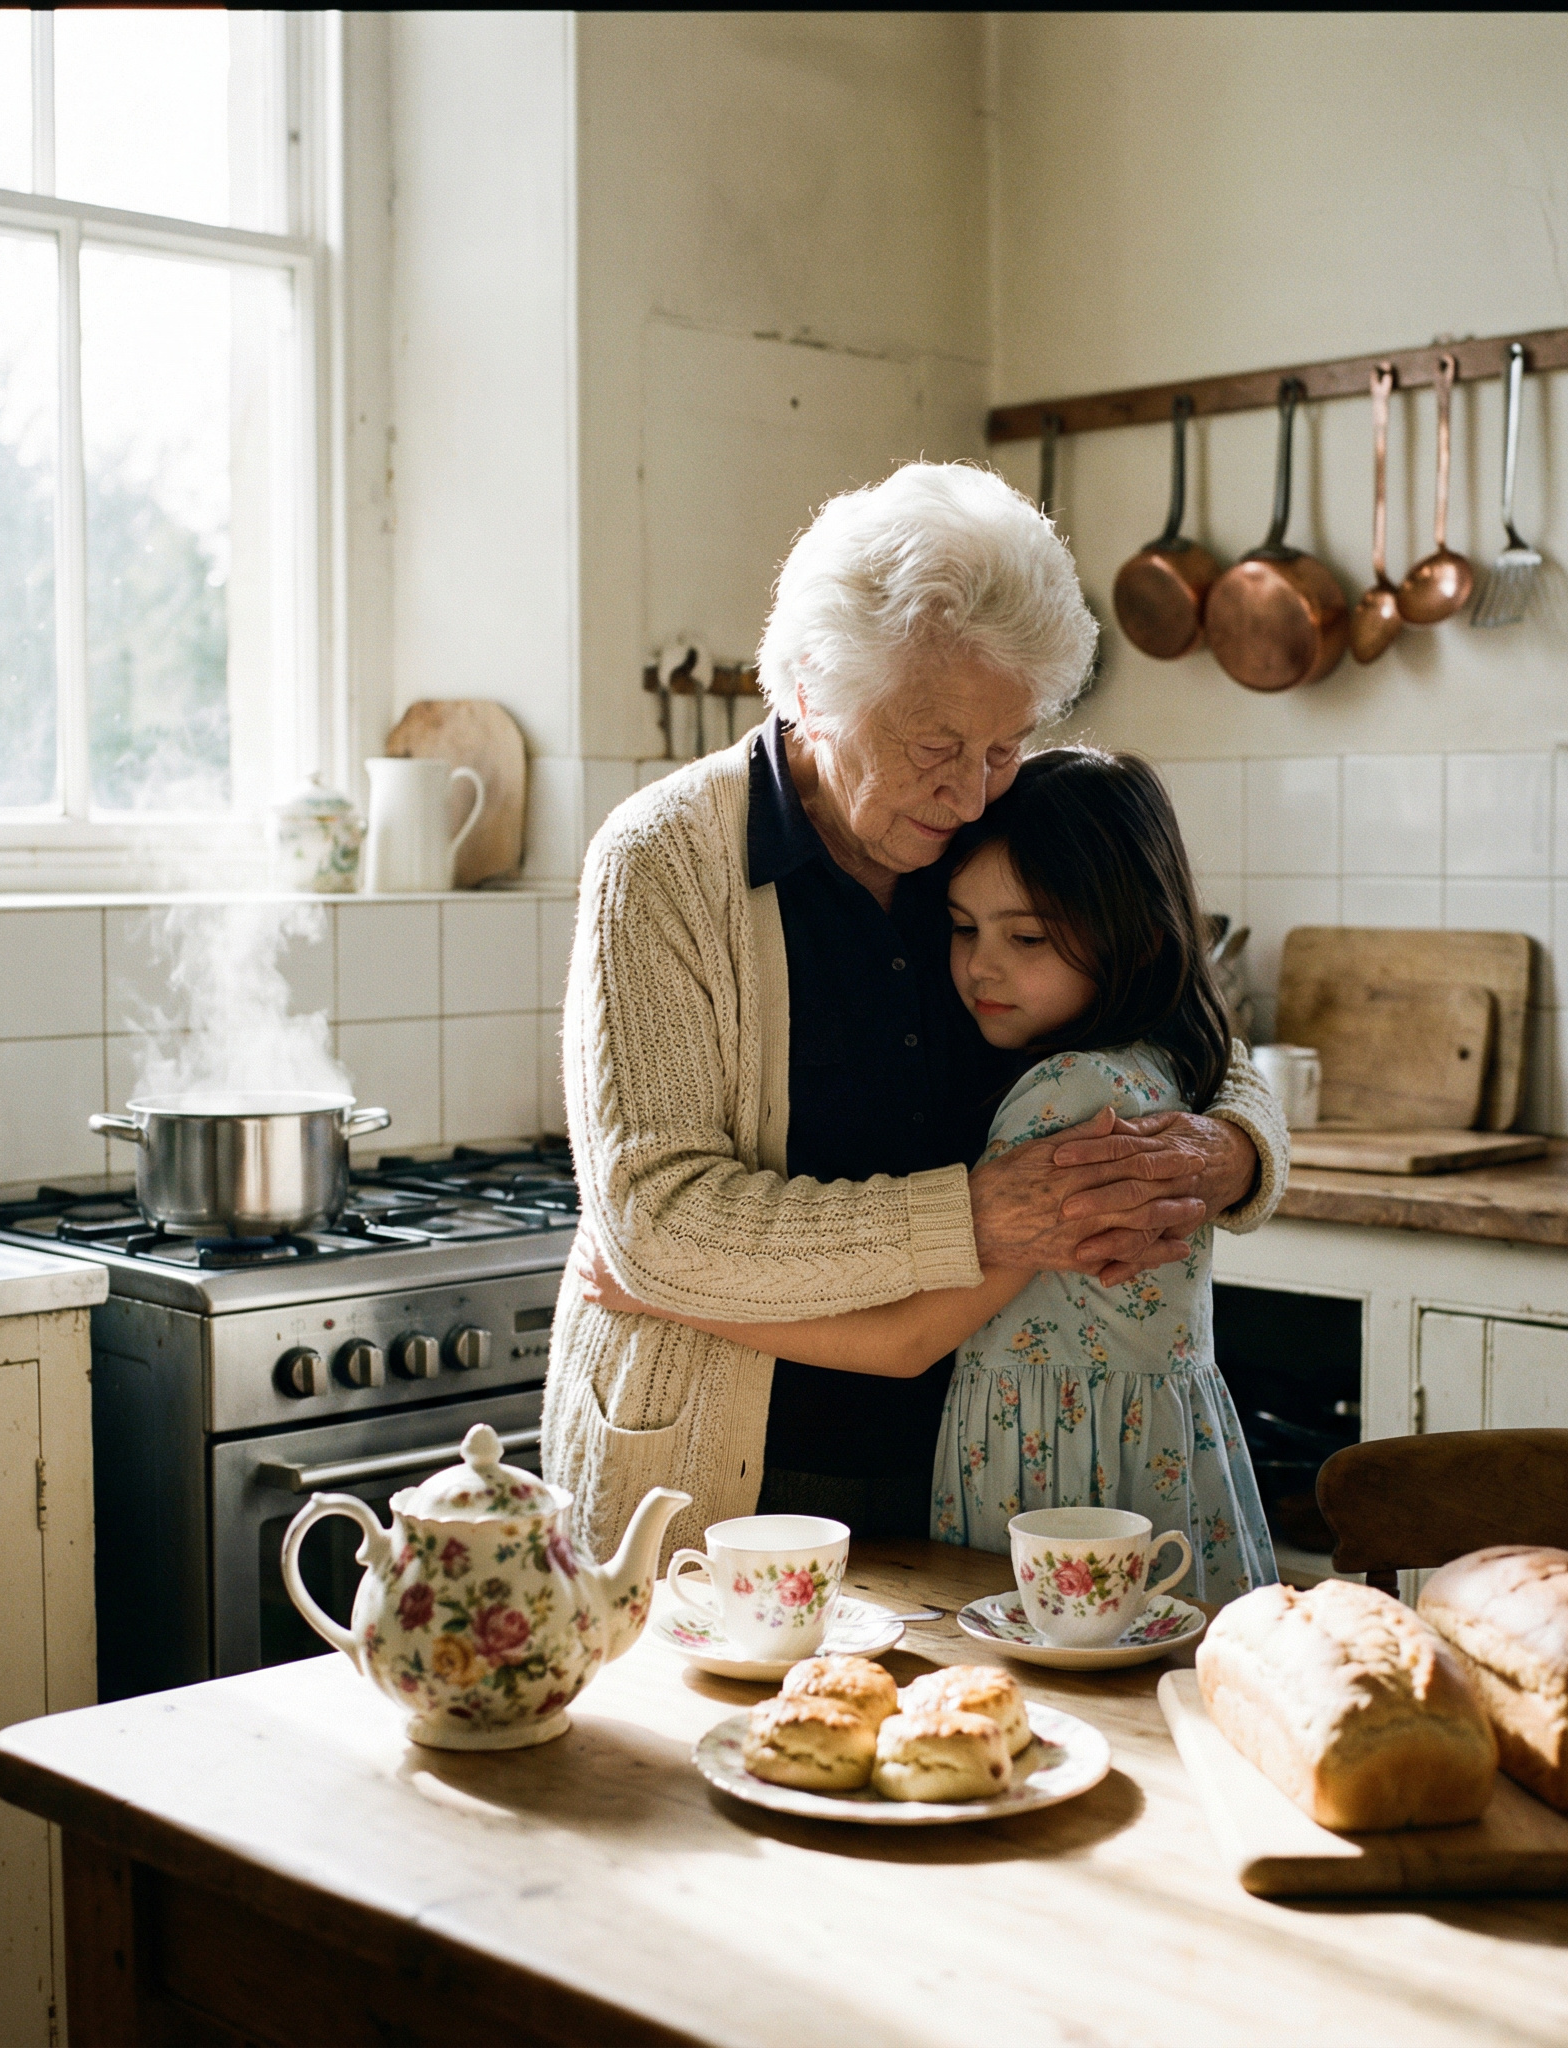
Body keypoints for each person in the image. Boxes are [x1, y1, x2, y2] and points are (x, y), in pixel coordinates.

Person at [542, 460, 1288, 1563]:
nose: (973, 791)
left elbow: (1186, 1029)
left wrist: (1228, 1154)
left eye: (1005, 746)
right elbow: (656, 1218)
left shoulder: (999, 830)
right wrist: (972, 1220)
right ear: (810, 692)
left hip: (971, 1475)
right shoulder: (660, 862)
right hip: (718, 1475)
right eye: (937, 748)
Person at [583, 747, 1276, 1604]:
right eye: (962, 927)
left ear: (1138, 944)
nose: (981, 966)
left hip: (1064, 1492)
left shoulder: (1069, 1101)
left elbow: (906, 1343)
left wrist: (664, 1294)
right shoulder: (1156, 1062)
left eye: (1026, 937)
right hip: (1143, 1464)